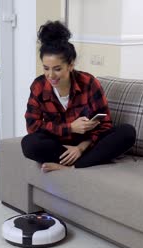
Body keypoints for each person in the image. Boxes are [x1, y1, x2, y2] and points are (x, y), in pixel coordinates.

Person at [21, 21, 136, 172]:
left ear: (70, 65)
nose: (50, 75)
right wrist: (70, 128)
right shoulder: (39, 86)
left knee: (127, 132)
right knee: (29, 143)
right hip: (58, 145)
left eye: (57, 69)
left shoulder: (89, 83)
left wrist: (80, 148)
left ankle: (72, 166)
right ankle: (87, 162)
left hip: (87, 144)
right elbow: (33, 126)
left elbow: (105, 124)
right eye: (46, 68)